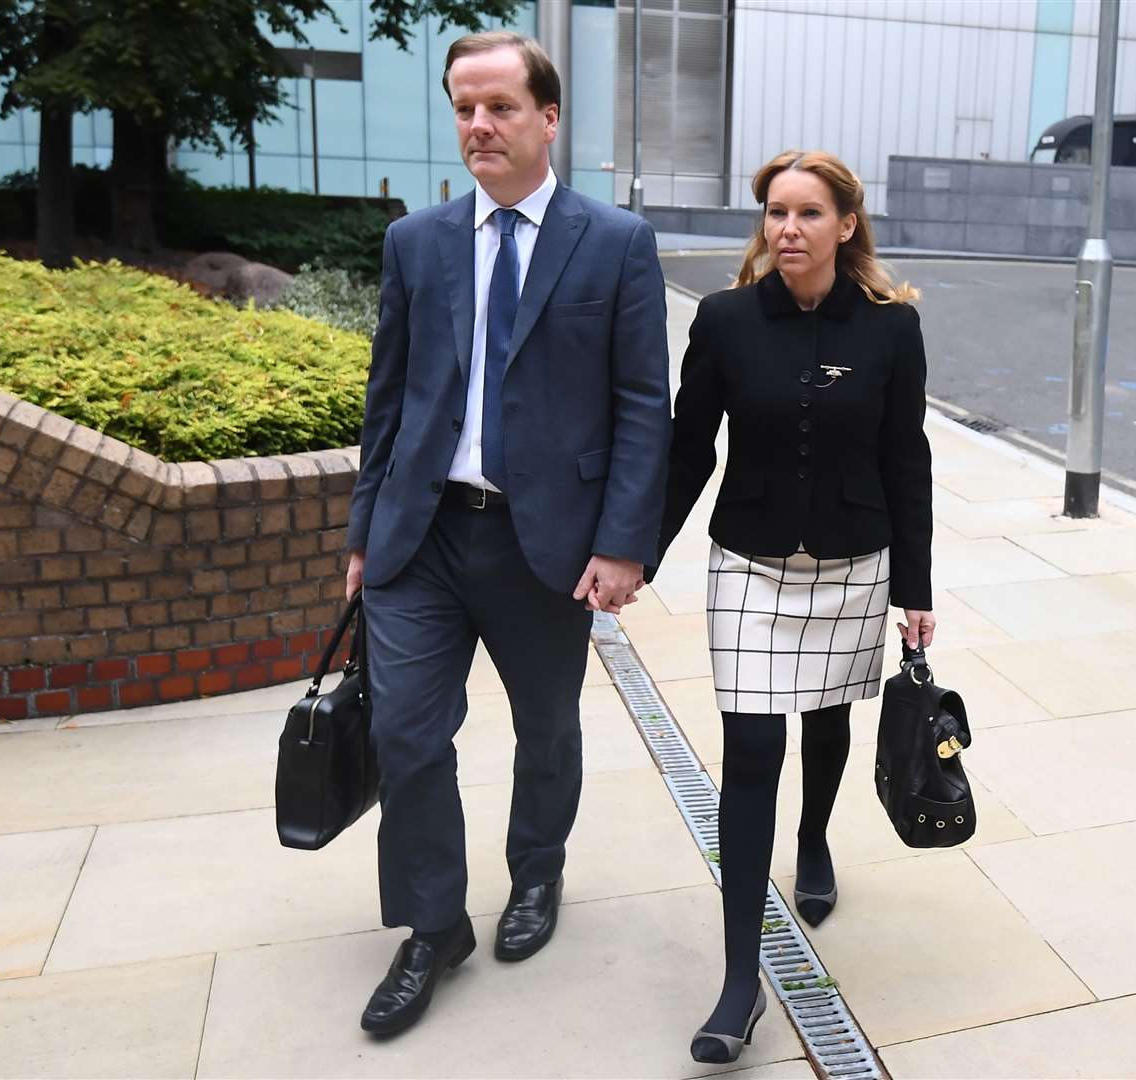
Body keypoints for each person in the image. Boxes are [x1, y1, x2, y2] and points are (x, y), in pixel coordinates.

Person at [344, 31, 671, 1036]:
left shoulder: (613, 241)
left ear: (548, 118)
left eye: (499, 106)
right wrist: (364, 532)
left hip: (548, 542)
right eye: (463, 107)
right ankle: (434, 925)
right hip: (423, 537)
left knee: (547, 727)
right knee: (404, 732)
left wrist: (623, 545)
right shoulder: (418, 241)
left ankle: (538, 873)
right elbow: (388, 397)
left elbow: (640, 404)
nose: (478, 125)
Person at [655, 149, 935, 1064]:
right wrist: (636, 554)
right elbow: (687, 447)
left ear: (846, 225)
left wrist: (916, 589)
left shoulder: (892, 329)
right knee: (752, 747)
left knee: (822, 721)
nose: (787, 229)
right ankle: (742, 981)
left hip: (854, 561)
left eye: (809, 213)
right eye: (776, 212)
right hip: (750, 564)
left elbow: (907, 461)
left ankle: (813, 839)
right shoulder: (727, 320)